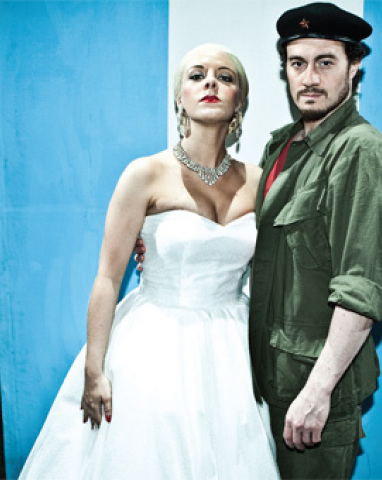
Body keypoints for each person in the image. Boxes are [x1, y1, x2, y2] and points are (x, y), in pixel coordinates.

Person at [19, 44, 280, 480]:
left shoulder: (260, 181)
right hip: (154, 343)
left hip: (233, 352)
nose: (210, 82)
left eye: (225, 76)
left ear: (240, 101)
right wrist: (94, 369)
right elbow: (108, 277)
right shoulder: (144, 173)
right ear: (179, 98)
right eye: (196, 75)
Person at [247, 3, 382, 479]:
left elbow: (361, 287)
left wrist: (318, 392)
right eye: (298, 63)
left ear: (354, 67)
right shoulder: (283, 145)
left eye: (325, 62)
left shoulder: (362, 152)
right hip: (271, 376)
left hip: (315, 391)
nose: (310, 78)